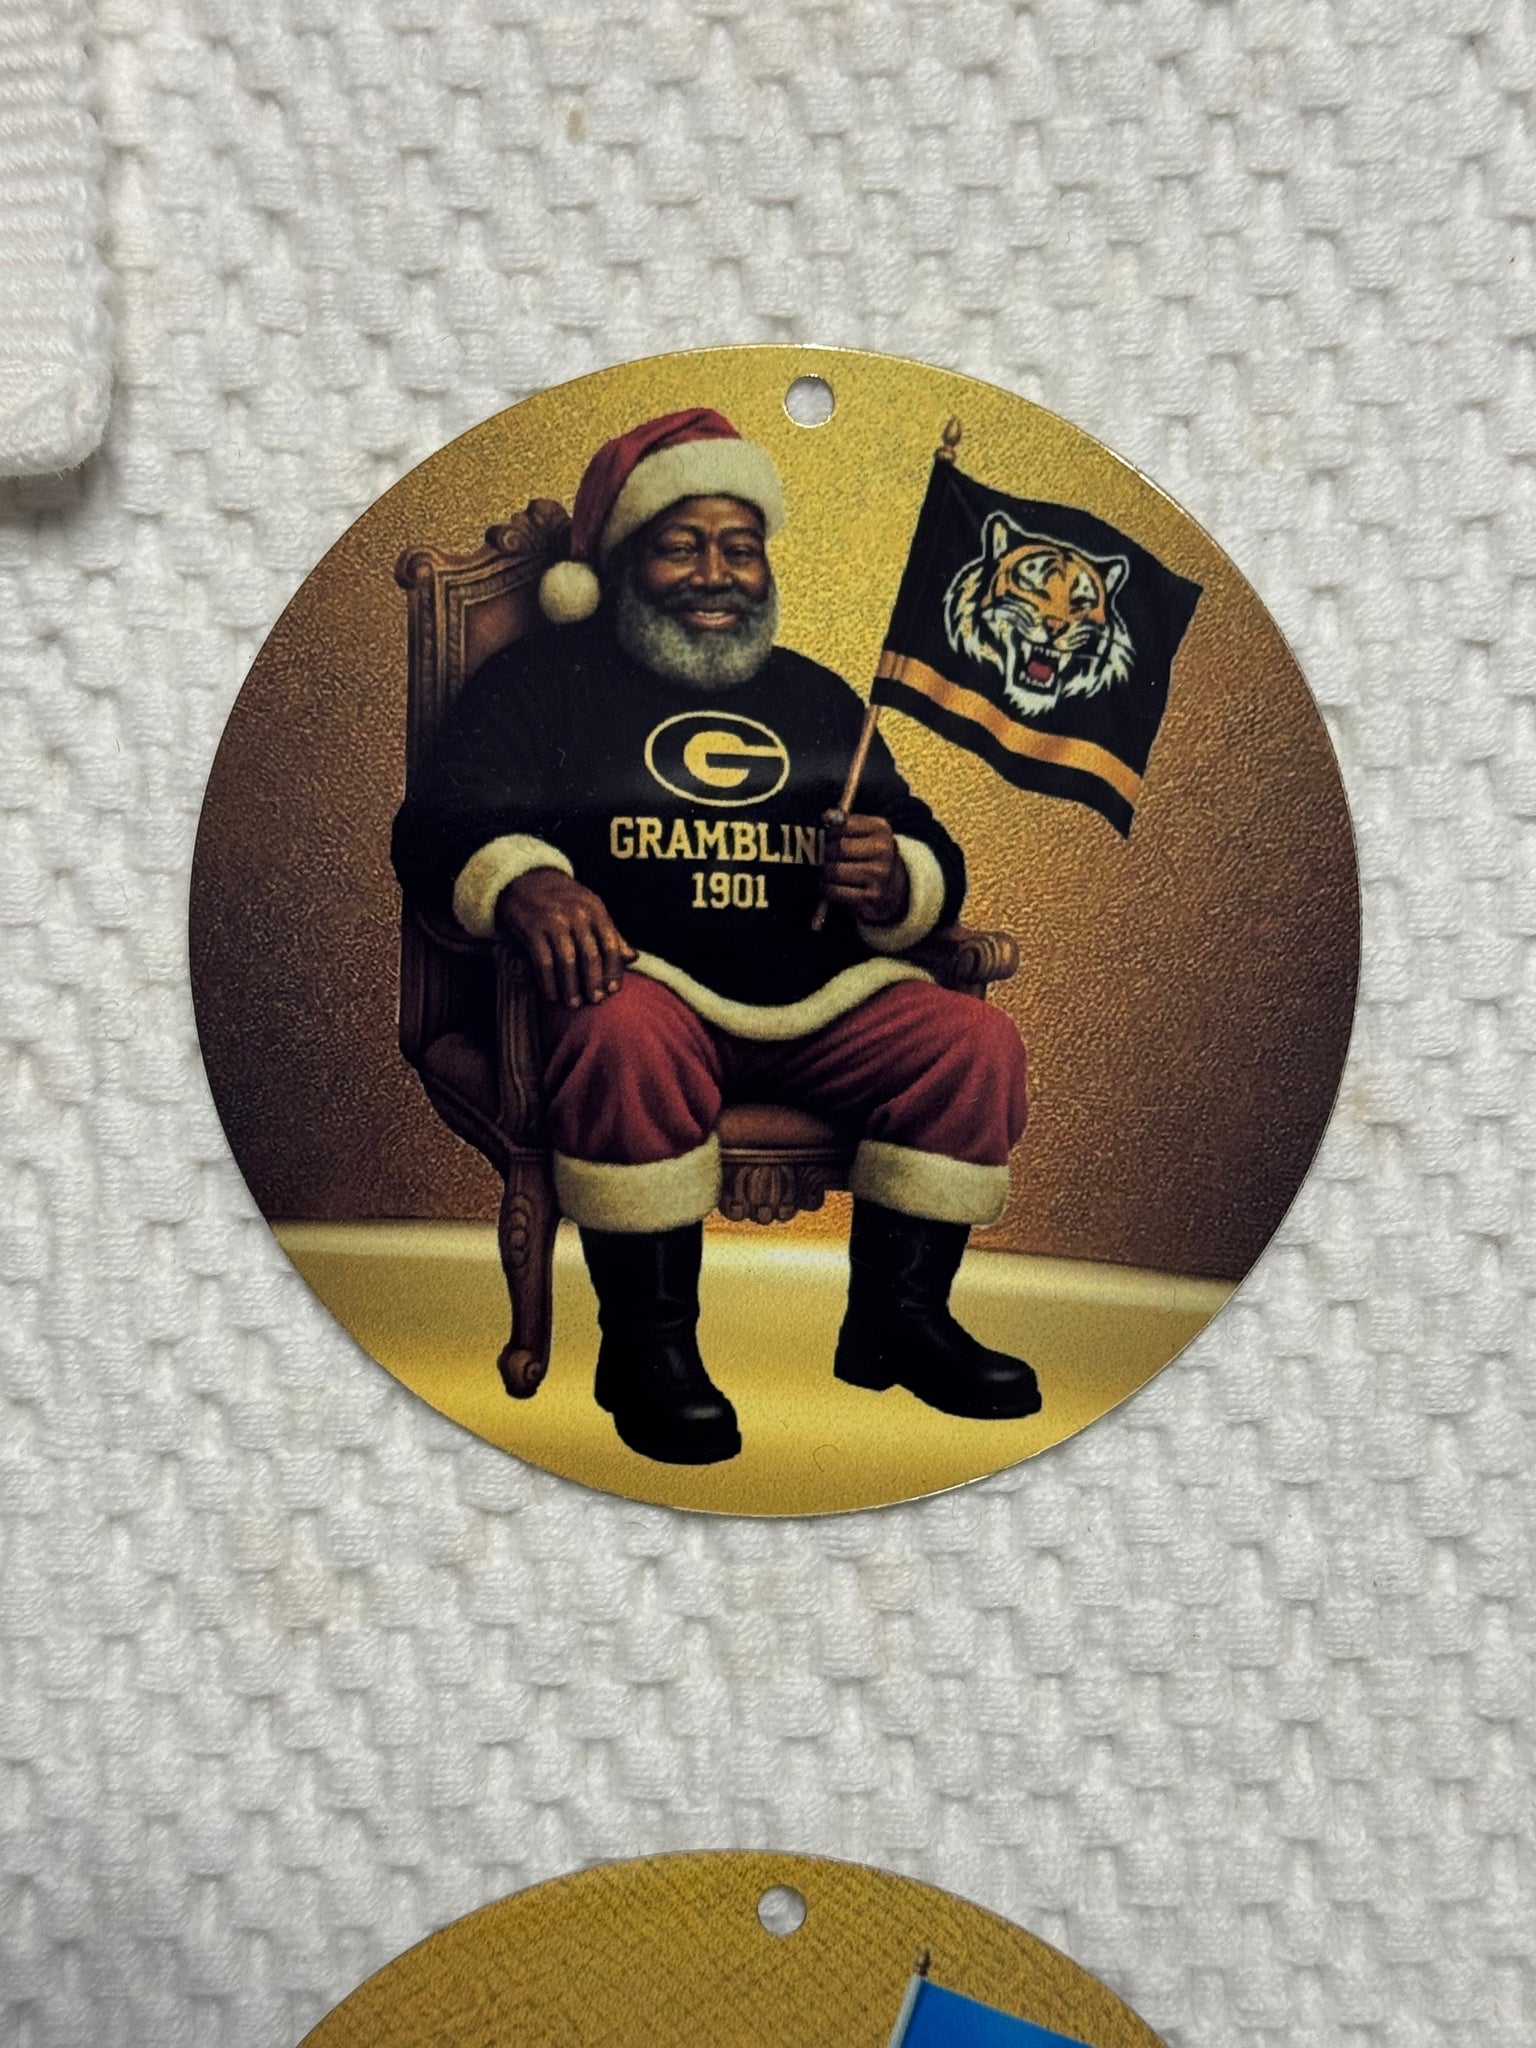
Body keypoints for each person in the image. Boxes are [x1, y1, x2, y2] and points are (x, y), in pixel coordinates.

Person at [391, 408, 1040, 1465]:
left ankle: (901, 1323)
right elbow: (440, 820)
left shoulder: (817, 696)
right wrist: (527, 884)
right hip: (646, 990)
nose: (716, 573)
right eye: (682, 545)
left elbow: (925, 840)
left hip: (815, 999)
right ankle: (647, 1350)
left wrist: (897, 875)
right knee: (623, 1034)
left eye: (741, 548)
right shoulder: (545, 680)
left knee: (974, 1042)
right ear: (622, 560)